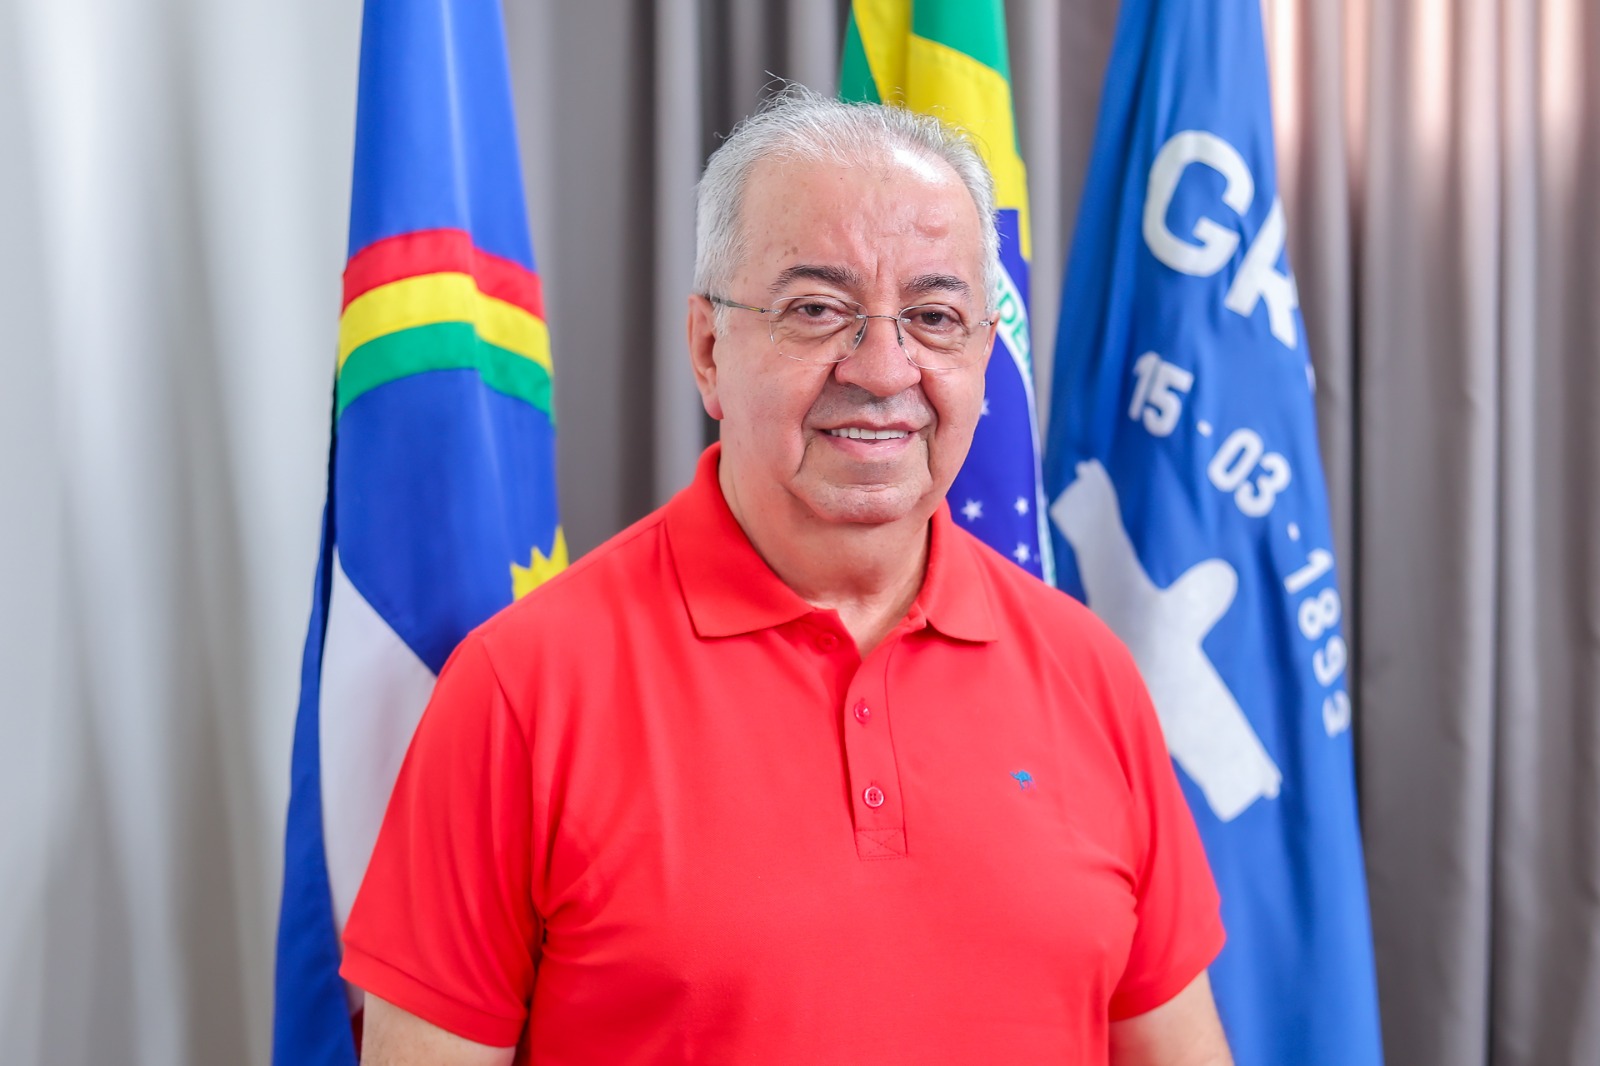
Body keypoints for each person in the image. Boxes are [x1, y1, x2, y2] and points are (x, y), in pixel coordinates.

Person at [341, 87, 1233, 1066]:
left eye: (934, 316)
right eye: (817, 309)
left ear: (985, 355)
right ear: (708, 349)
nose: (884, 368)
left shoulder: (1090, 675)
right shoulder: (521, 689)